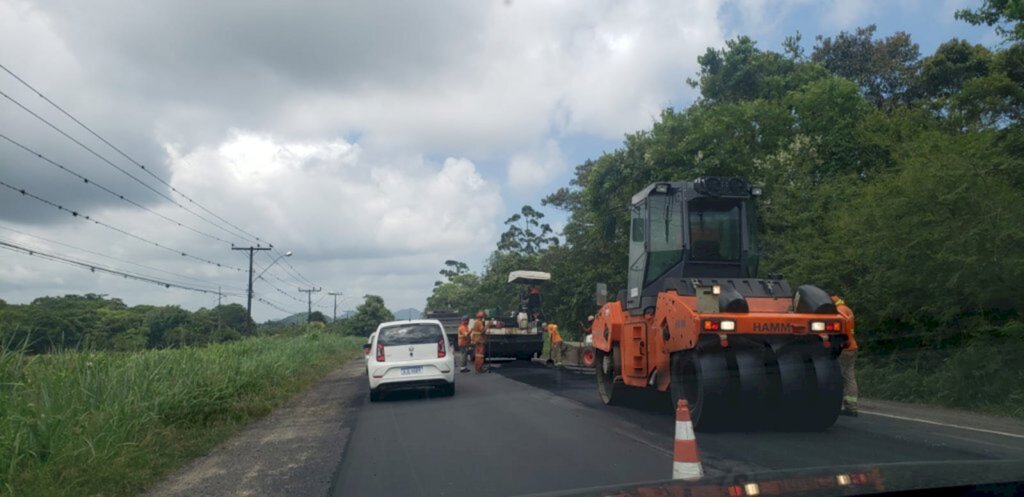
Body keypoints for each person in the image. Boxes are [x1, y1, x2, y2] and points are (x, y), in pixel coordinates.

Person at [833, 295, 859, 417]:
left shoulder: (838, 311)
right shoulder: (847, 309)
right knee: (849, 376)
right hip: (852, 347)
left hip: (843, 348)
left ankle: (834, 406)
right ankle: (851, 406)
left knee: (837, 378)